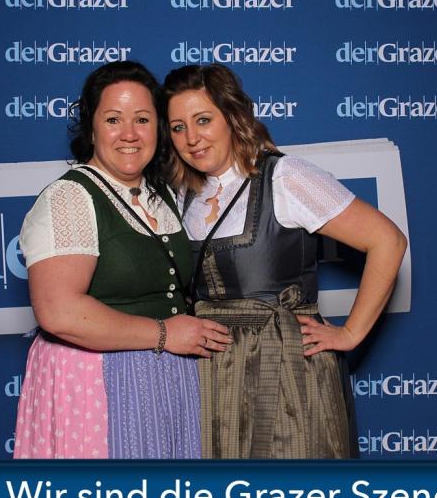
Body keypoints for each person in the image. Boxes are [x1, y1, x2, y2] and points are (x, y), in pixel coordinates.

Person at [163, 63, 407, 459]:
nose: (192, 138)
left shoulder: (285, 177)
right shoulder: (182, 195)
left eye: (203, 120)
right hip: (211, 374)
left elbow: (387, 240)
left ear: (233, 116)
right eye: (178, 127)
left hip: (282, 367)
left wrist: (350, 333)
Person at [14, 61, 232, 459]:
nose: (129, 134)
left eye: (142, 119)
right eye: (113, 119)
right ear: (91, 128)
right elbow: (59, 312)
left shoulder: (162, 194)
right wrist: (165, 334)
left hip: (165, 377)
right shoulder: (70, 197)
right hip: (94, 382)